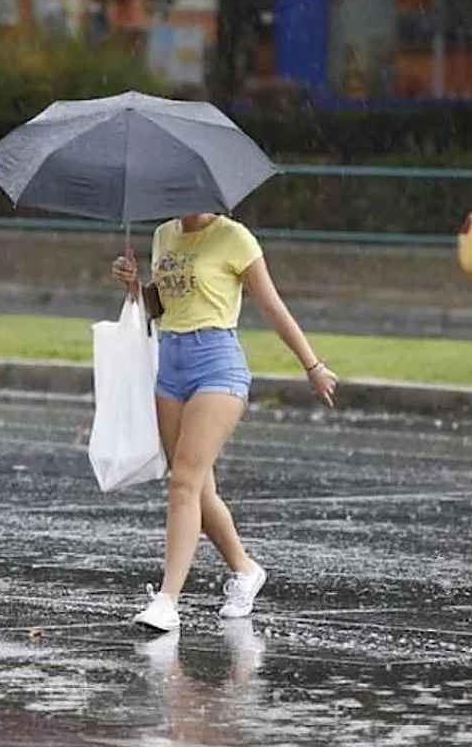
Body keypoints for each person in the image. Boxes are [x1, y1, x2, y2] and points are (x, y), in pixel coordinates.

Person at [111, 213, 338, 632]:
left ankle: (167, 600)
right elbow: (160, 306)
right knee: (198, 489)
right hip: (170, 366)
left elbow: (271, 305)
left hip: (217, 365)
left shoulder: (234, 238)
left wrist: (312, 365)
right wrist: (133, 287)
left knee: (183, 483)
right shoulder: (163, 235)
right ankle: (245, 569)